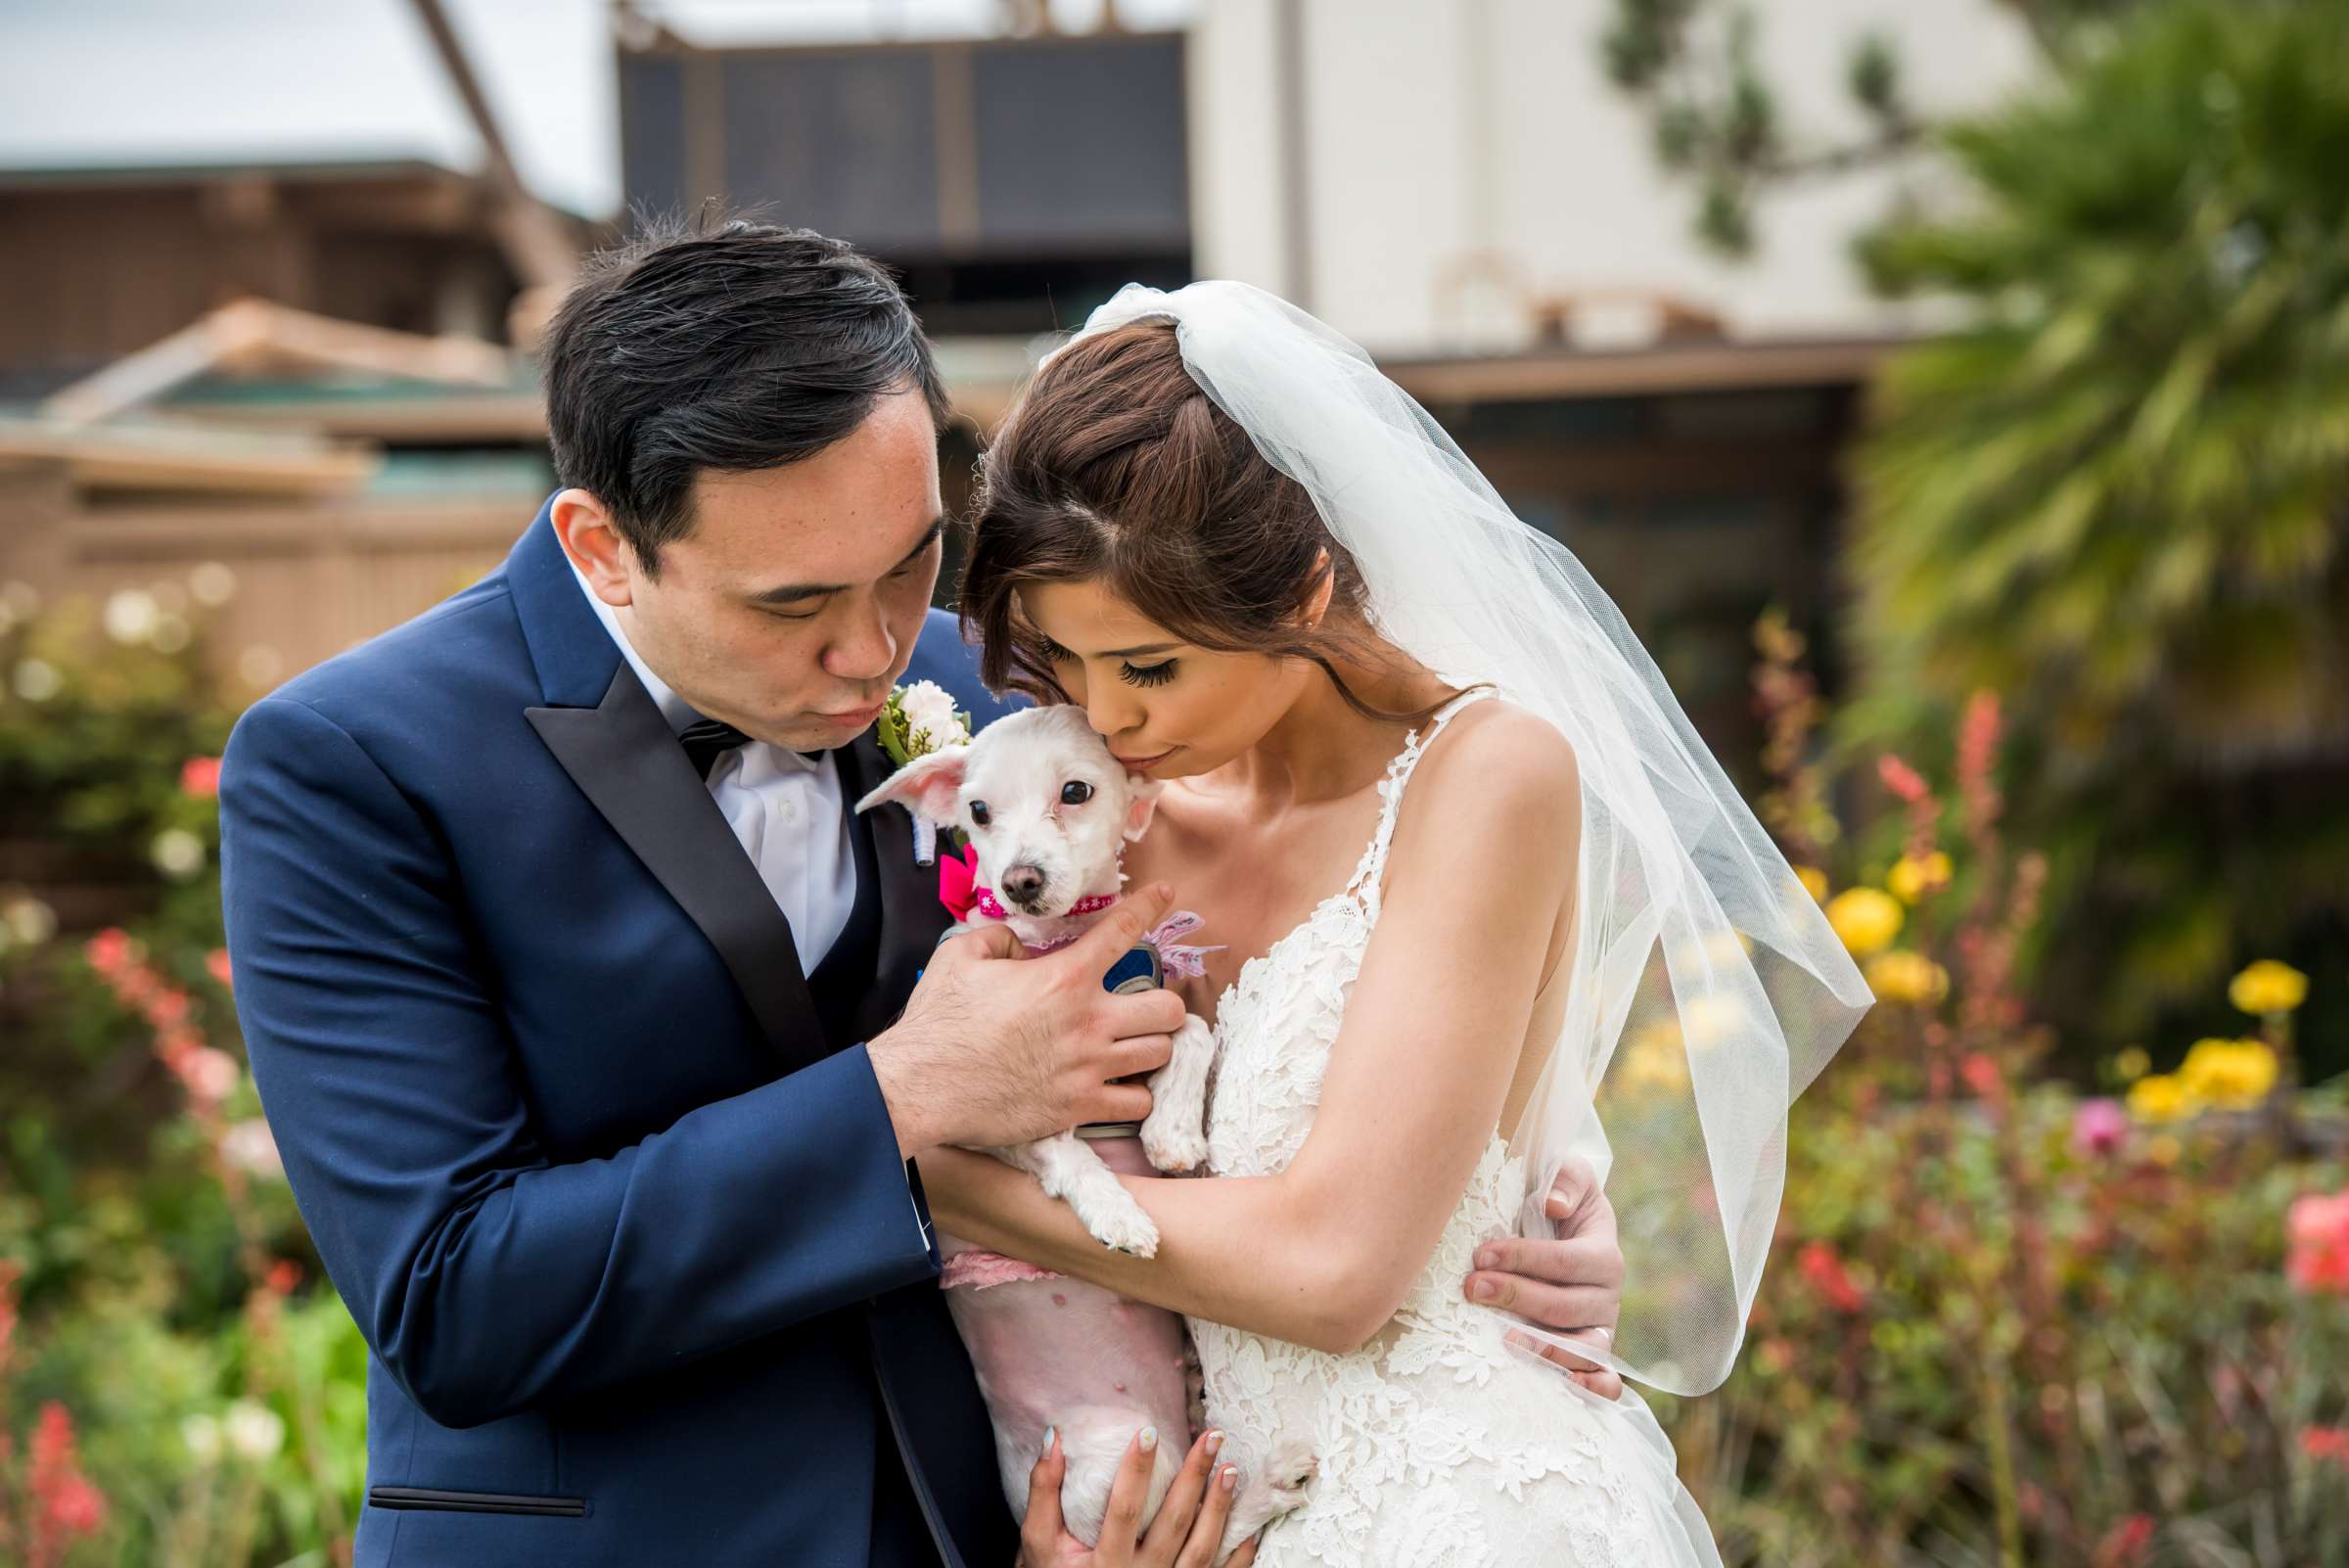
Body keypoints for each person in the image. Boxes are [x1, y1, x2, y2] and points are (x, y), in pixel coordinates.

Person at [217, 220, 1631, 1568]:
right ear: (602, 548)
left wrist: (1492, 1222)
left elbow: (1238, 1026)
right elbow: (454, 1295)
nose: (873, 653)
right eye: (794, 605)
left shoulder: (1007, 707)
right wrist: (901, 1097)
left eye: (910, 565)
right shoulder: (351, 763)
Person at [925, 283, 1874, 1567]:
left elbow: (1334, 1268)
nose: (1109, 713)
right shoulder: (1100, 812)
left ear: (1303, 587)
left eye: (1151, 666)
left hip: (1461, 1507)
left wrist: (936, 1179)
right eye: (1065, 659)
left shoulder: (1488, 776)